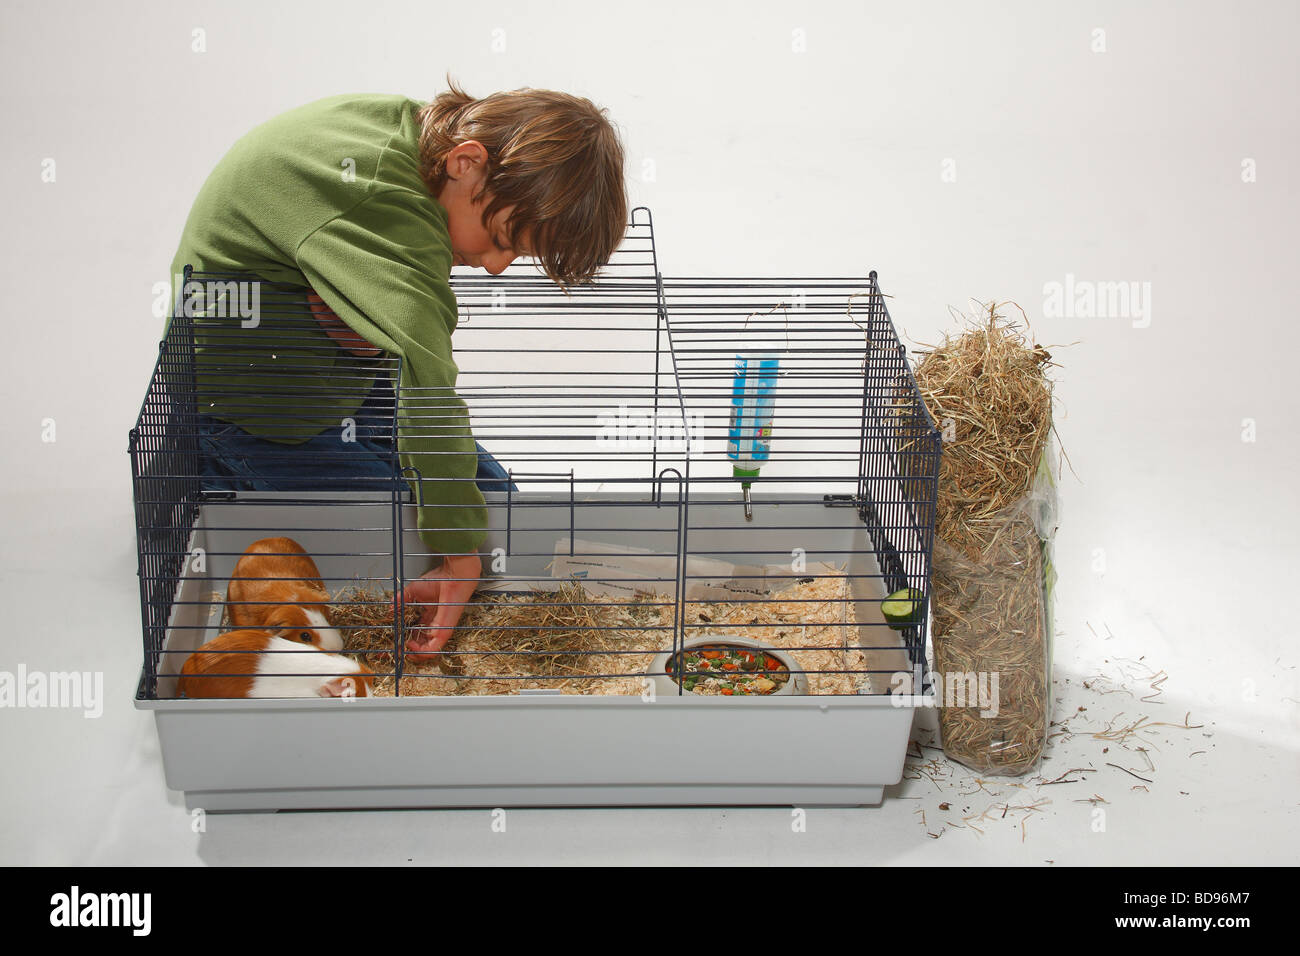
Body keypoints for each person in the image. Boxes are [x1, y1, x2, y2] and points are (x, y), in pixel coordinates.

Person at [164, 78, 628, 657]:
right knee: (405, 540)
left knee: (499, 506)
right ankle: (224, 479)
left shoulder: (417, 139)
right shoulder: (389, 209)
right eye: (502, 240)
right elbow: (428, 381)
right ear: (467, 162)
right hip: (249, 413)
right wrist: (456, 555)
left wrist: (361, 329)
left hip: (336, 382)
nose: (497, 269)